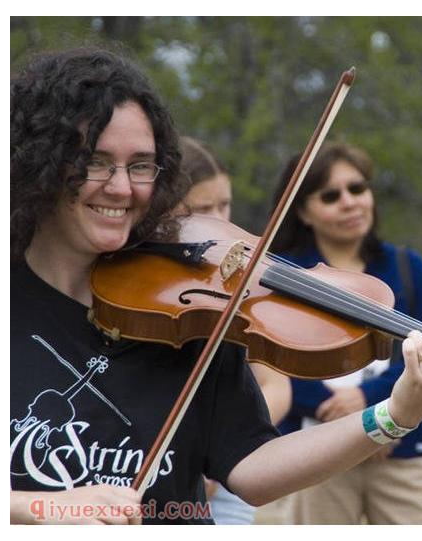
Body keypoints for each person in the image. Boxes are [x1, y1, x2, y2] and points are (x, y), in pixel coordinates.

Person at [10, 47, 422, 525]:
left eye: (140, 165)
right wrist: (36, 508)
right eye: (95, 162)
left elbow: (252, 466)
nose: (122, 187)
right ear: (40, 161)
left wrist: (394, 412)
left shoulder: (186, 303)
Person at [267, 142, 422, 524]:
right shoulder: (281, 274)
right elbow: (269, 361)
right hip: (315, 453)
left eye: (358, 188)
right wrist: (339, 417)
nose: (350, 202)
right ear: (303, 211)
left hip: (402, 448)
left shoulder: (408, 268)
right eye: (331, 195)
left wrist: (373, 409)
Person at [178, 135, 292, 524]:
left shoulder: (242, 278)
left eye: (224, 204)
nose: (220, 220)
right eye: (201, 209)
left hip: (228, 476)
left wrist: (220, 452)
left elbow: (276, 386)